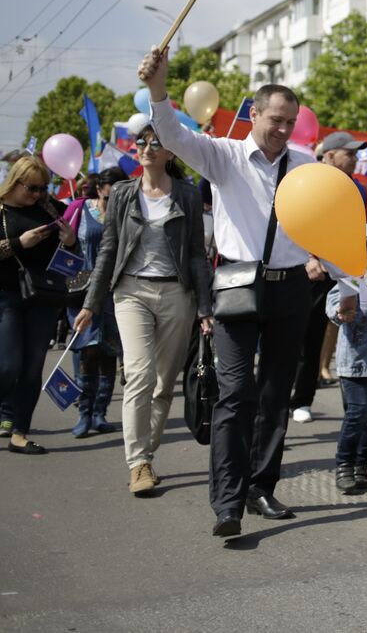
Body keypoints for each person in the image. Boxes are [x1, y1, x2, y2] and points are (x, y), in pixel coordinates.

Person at [138, 45, 315, 539]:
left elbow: (326, 221)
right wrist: (159, 89)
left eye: (289, 122)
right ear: (252, 113)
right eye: (274, 119)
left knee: (276, 393)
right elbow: (172, 134)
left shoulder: (306, 165)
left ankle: (261, 486)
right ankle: (228, 501)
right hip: (237, 287)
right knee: (236, 394)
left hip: (291, 288)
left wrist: (345, 280)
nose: (281, 129)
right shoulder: (224, 156)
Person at [77, 129, 211, 494]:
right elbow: (108, 249)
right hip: (131, 292)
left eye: (156, 143)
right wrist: (91, 302)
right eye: (142, 143)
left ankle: (147, 453)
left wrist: (204, 307)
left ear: (170, 152)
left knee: (165, 384)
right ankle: (138, 463)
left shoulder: (186, 193)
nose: (147, 149)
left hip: (176, 293)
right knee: (140, 374)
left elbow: (198, 255)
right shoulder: (122, 193)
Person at [290, 131, 367, 427]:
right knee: (292, 337)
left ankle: (303, 399)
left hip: (343, 273)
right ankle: (272, 398)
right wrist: (308, 257)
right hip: (304, 271)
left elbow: (366, 233)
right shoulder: (307, 181)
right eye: (348, 153)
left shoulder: (361, 191)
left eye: (355, 153)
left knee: (320, 338)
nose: (354, 158)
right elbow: (291, 222)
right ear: (329, 155)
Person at [0, 153, 79, 455]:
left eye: (42, 188)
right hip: (6, 295)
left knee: (33, 369)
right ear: (15, 182)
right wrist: (21, 243)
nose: (36, 195)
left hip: (44, 297)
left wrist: (70, 240)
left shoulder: (51, 208)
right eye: (31, 188)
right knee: (8, 365)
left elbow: (73, 256)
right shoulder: (2, 210)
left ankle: (19, 432)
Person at [327, 224, 367, 495]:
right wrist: (342, 312)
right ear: (363, 251)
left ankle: (361, 465)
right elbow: (332, 308)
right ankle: (344, 465)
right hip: (353, 363)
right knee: (358, 413)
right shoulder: (350, 281)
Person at [63, 168, 124, 437]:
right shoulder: (78, 209)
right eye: (110, 198)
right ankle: (84, 413)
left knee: (109, 351)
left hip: (114, 292)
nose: (114, 203)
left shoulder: (125, 215)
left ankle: (100, 413)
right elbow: (62, 248)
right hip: (82, 291)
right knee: (87, 350)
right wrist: (69, 242)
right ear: (99, 189)